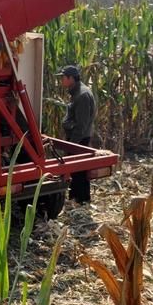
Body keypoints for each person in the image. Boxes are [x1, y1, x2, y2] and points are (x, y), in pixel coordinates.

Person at [56, 65, 96, 203]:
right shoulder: (76, 92)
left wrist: (72, 144)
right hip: (77, 137)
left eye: (63, 77)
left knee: (79, 170)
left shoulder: (82, 95)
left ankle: (82, 200)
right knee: (76, 170)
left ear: (71, 78)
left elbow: (82, 124)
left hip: (80, 138)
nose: (61, 80)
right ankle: (75, 198)